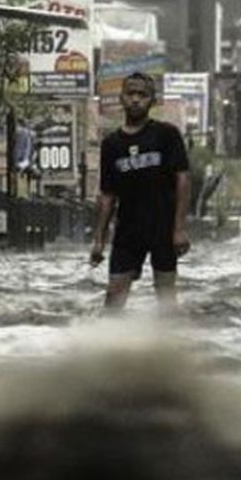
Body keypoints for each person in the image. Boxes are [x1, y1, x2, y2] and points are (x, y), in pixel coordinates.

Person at [90, 72, 192, 312]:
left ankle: (169, 343)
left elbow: (183, 180)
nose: (136, 99)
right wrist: (99, 240)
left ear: (152, 100)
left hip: (163, 227)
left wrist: (179, 229)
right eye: (130, 94)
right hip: (128, 229)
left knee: (166, 295)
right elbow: (107, 195)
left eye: (142, 95)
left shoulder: (167, 135)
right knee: (114, 296)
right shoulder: (112, 144)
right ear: (121, 98)